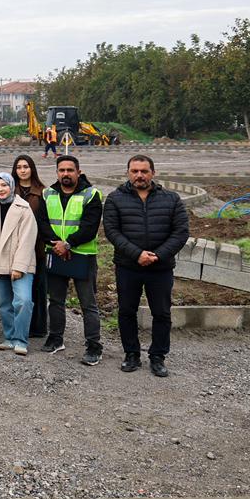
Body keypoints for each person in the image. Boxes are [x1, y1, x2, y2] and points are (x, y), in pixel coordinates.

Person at [103, 154, 189, 377]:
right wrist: (137, 254)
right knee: (126, 311)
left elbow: (180, 232)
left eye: (144, 171)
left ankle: (158, 357)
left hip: (160, 269)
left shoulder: (171, 199)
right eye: (134, 171)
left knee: (161, 313)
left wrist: (157, 256)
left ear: (153, 172)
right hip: (128, 267)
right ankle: (131, 354)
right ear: (128, 173)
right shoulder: (114, 199)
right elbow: (112, 232)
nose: (139, 175)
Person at [42, 155, 104, 366]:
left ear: (78, 172)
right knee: (56, 300)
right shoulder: (47, 193)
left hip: (82, 256)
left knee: (88, 304)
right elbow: (42, 222)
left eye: (70, 170)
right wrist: (57, 244)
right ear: (57, 172)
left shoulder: (91, 194)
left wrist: (67, 244)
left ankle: (94, 346)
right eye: (62, 170)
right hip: (55, 253)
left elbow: (90, 226)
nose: (65, 174)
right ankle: (56, 338)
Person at [0, 172, 37, 356]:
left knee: (23, 301)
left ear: (12, 186)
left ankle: (21, 339)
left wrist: (19, 267)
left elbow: (28, 239)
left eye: (3, 185)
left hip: (19, 264)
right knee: (4, 303)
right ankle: (9, 337)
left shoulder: (24, 208)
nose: (0, 189)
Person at [11, 154, 55, 340]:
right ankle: (18, 327)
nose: (22, 170)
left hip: (37, 247)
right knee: (18, 291)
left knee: (38, 287)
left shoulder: (43, 192)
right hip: (14, 246)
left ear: (32, 169)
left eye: (26, 167)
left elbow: (46, 220)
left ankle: (38, 327)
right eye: (19, 167)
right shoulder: (10, 190)